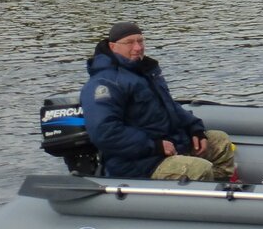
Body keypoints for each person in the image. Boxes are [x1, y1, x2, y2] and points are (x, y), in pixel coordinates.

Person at [81, 21, 236, 181]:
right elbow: (105, 132)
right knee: (198, 169)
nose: (138, 47)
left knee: (219, 140)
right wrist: (154, 146)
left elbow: (169, 106)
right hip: (138, 163)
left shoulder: (144, 72)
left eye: (140, 41)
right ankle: (204, 201)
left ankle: (223, 191)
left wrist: (194, 129)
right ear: (113, 47)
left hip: (169, 146)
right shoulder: (105, 83)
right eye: (129, 43)